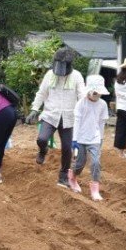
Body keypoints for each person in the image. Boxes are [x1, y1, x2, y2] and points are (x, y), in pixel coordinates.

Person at [25, 47, 85, 188]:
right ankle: (43, 150)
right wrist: (34, 109)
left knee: (66, 148)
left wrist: (85, 112)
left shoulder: (76, 76)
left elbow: (82, 95)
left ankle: (63, 176)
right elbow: (41, 93)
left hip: (68, 118)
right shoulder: (49, 75)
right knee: (42, 139)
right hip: (50, 114)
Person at [69, 75, 110, 201]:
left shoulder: (103, 104)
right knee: (80, 163)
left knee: (96, 163)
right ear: (90, 91)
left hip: (95, 138)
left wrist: (101, 139)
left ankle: (95, 190)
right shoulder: (81, 103)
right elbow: (76, 122)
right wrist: (74, 140)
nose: (97, 95)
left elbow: (102, 122)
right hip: (80, 138)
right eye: (95, 92)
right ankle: (72, 177)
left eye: (99, 93)